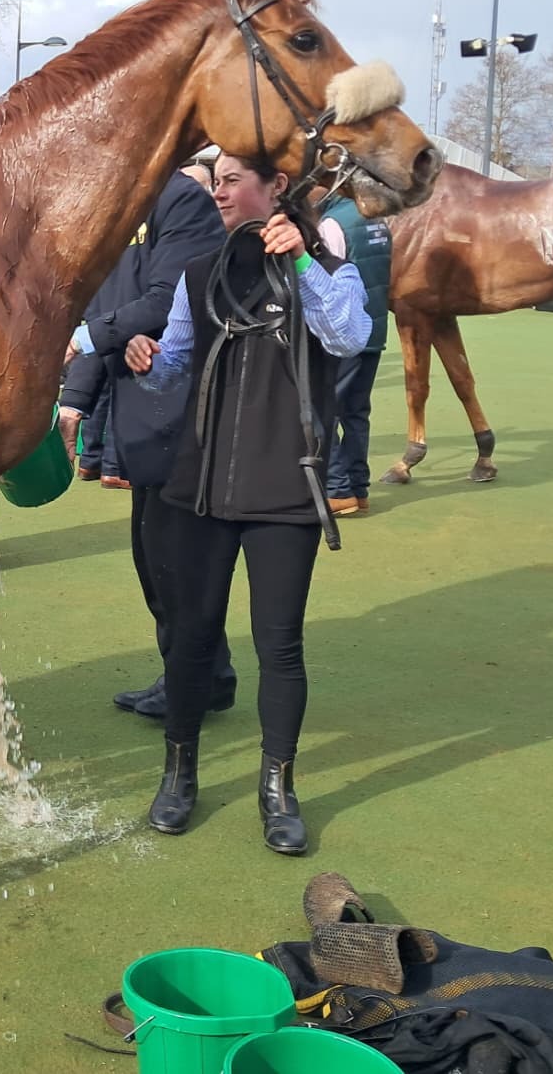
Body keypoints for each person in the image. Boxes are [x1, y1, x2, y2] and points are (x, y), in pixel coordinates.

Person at [124, 151, 369, 855]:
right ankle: (178, 776)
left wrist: (299, 263)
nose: (219, 190)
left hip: (285, 490)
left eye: (233, 179)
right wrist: (147, 356)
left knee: (279, 646)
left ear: (277, 188)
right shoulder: (201, 270)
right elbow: (173, 361)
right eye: (216, 179)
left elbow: (348, 336)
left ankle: (277, 790)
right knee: (191, 639)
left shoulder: (327, 265)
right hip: (196, 489)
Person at [59, 163, 229, 719]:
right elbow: (97, 310)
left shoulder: (182, 201)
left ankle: (193, 681)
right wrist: (73, 403)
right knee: (155, 560)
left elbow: (163, 302)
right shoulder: (109, 198)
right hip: (139, 411)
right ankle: (200, 674)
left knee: (175, 561)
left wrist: (83, 339)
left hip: (181, 407)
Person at [320, 189, 392, 517]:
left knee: (324, 410)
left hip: (343, 333)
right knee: (356, 412)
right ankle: (359, 489)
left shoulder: (333, 224)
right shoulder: (377, 221)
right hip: (374, 330)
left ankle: (337, 489)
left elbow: (327, 280)